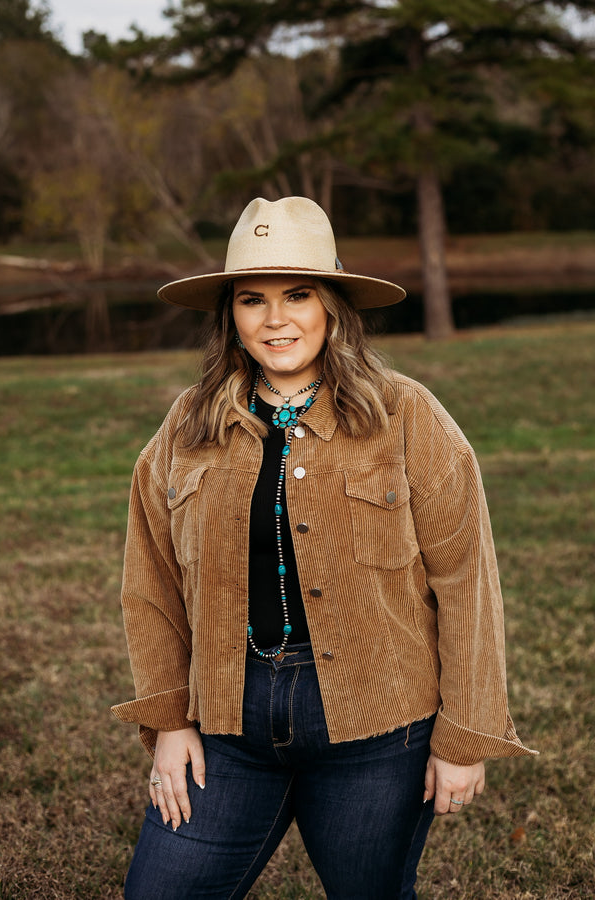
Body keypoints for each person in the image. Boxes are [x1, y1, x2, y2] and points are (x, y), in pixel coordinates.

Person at [112, 196, 536, 900]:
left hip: (379, 734)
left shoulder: (407, 415)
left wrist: (464, 738)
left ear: (334, 304)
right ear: (231, 315)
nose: (275, 319)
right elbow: (149, 582)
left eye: (298, 294)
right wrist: (168, 724)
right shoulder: (186, 427)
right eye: (253, 299)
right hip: (226, 728)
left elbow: (467, 582)